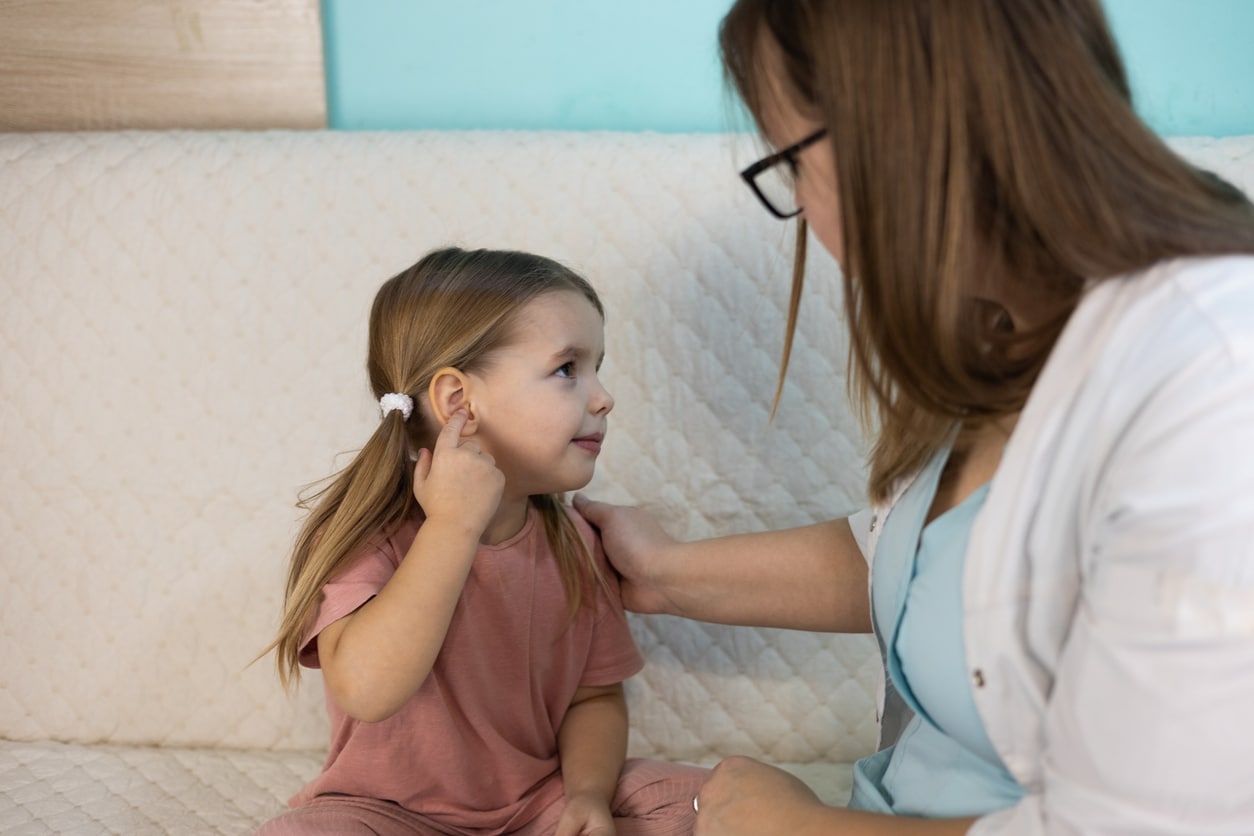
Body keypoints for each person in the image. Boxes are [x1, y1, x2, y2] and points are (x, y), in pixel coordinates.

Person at [573, 1, 1254, 833]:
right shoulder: (1008, 321)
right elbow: (931, 564)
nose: (807, 212)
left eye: (790, 165)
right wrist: (661, 574)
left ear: (885, 141)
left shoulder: (1213, 380)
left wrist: (797, 826)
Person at [258, 247, 706, 835]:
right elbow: (367, 690)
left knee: (710, 799)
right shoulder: (367, 535)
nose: (603, 397)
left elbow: (592, 700)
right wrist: (452, 527)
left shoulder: (576, 542)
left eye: (599, 367)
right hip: (387, 813)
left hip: (538, 804)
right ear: (457, 402)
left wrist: (588, 798)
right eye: (568, 368)